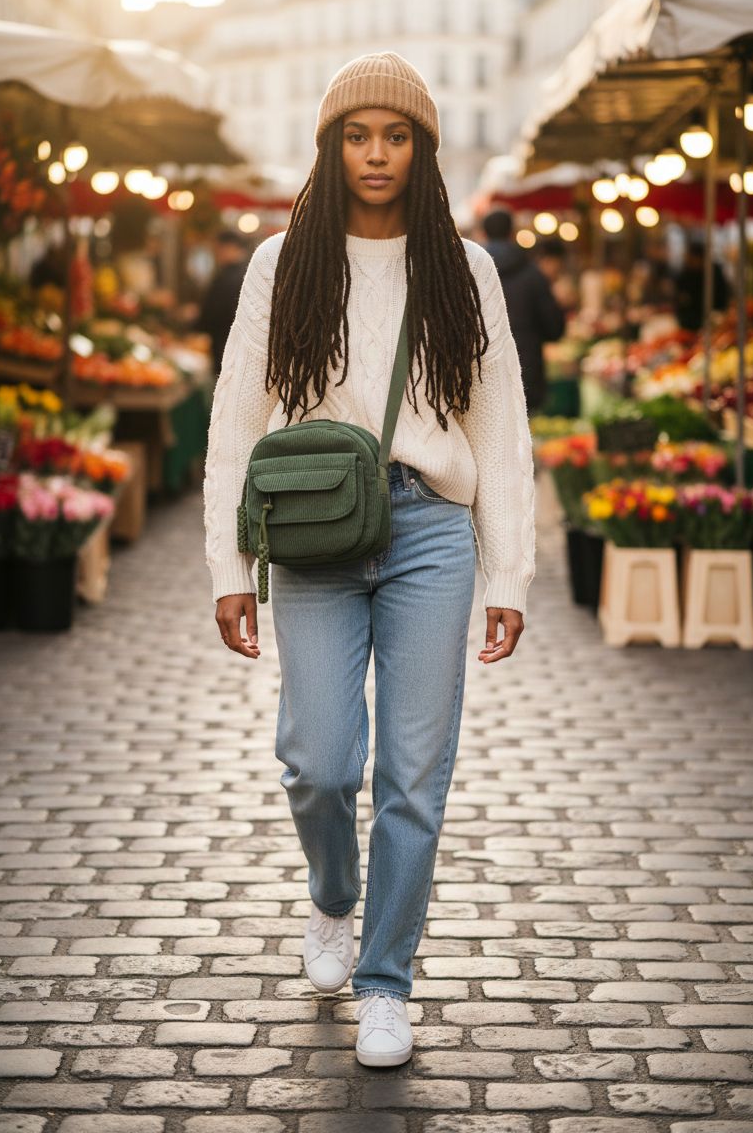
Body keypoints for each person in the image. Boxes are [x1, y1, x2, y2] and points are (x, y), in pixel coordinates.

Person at [203, 52, 535, 1068]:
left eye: (395, 136)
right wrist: (227, 564)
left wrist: (507, 574)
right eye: (358, 135)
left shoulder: (464, 269)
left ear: (421, 149)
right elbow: (235, 417)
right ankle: (332, 900)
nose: (377, 153)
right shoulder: (281, 263)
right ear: (331, 146)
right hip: (313, 533)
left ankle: (386, 980)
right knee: (318, 759)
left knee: (413, 777)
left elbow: (499, 424)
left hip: (430, 526)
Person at [481, 209, 566, 413]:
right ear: (513, 232)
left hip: (482, 372)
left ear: (483, 234)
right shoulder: (533, 274)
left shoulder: (470, 271)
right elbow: (554, 328)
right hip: (527, 370)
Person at [196, 229, 249, 375]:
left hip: (224, 346)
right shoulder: (248, 272)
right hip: (239, 350)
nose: (216, 254)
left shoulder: (228, 278)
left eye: (217, 249)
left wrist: (194, 324)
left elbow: (213, 313)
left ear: (230, 247)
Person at [673, 238, 730, 332]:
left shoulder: (714, 273)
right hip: (688, 323)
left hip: (712, 322)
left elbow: (722, 298)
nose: (689, 261)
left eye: (692, 258)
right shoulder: (686, 273)